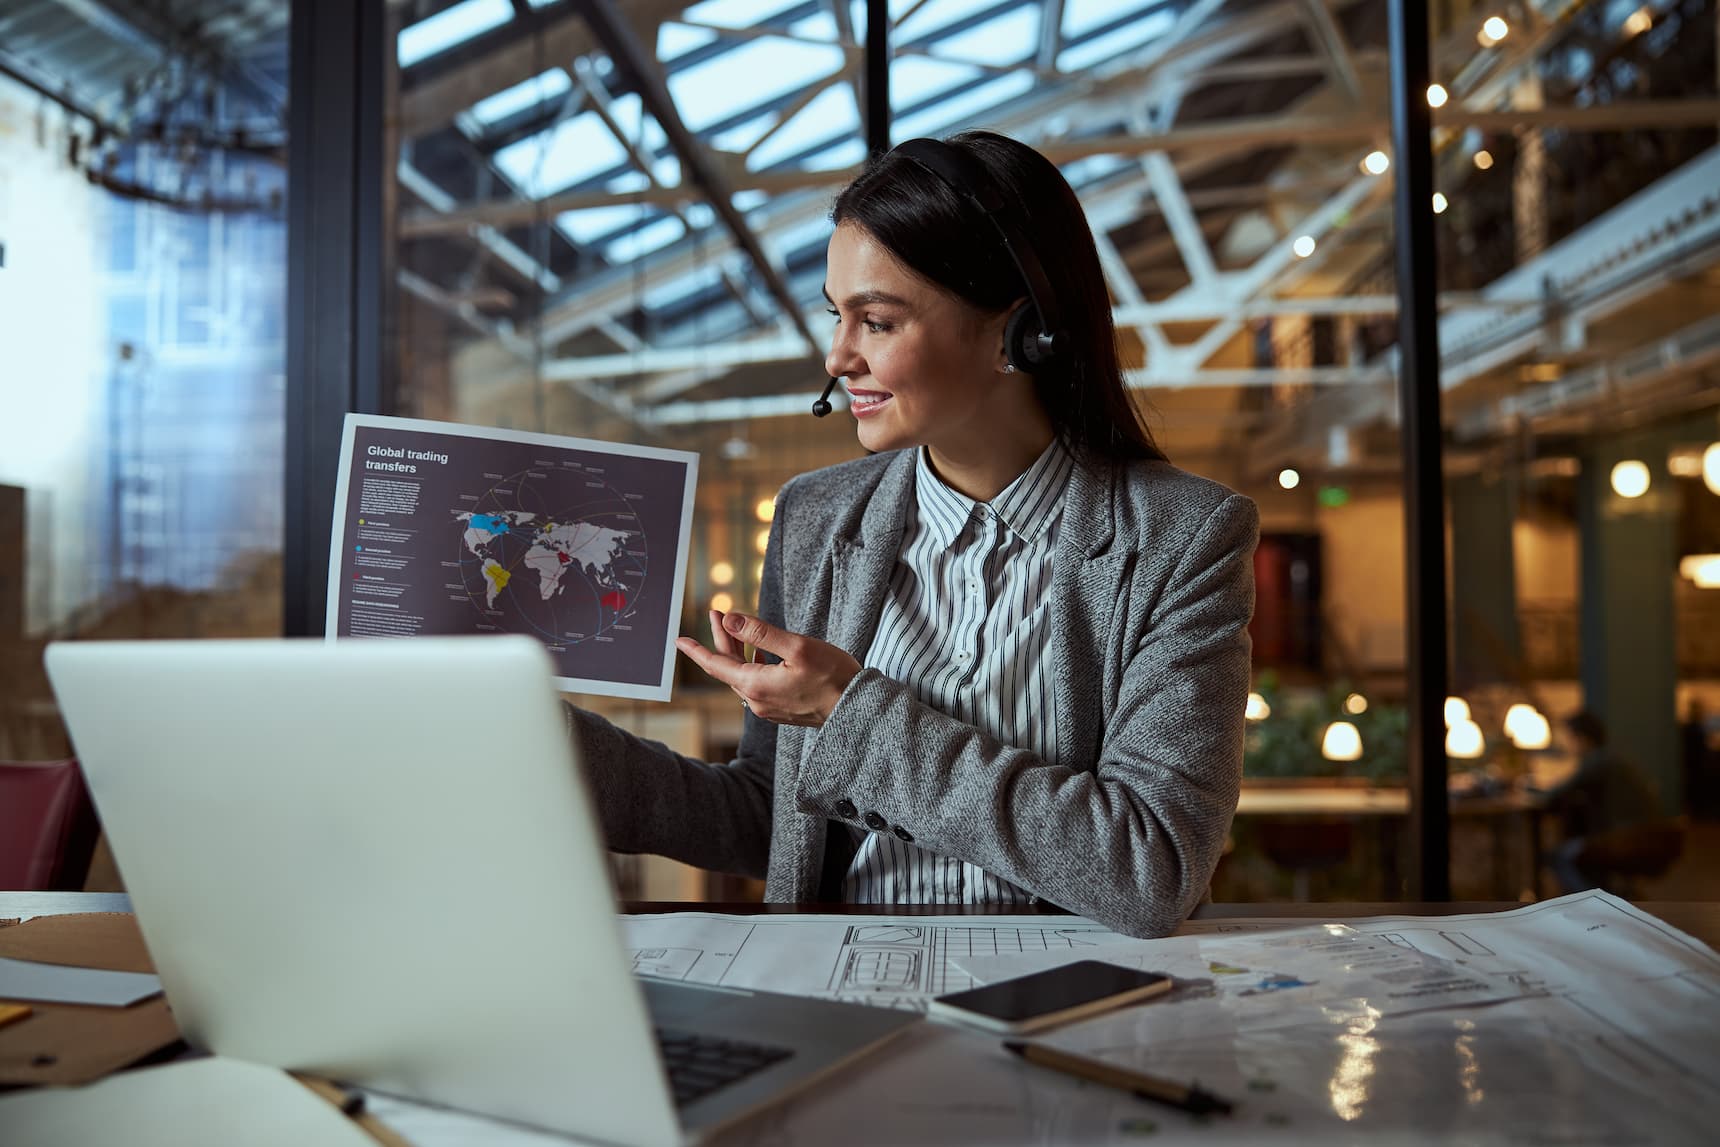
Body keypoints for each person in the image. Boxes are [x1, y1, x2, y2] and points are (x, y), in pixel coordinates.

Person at [564, 132, 1257, 938]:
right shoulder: (815, 519)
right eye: (837, 315)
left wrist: (849, 709)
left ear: (1018, 332)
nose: (837, 355)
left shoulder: (1182, 536)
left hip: (1068, 1006)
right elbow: (770, 815)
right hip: (842, 996)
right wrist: (550, 747)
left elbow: (1150, 868)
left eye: (877, 321)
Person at [1544, 710, 1676, 894]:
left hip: (1631, 838)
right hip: (1647, 835)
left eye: (1570, 738)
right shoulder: (1611, 758)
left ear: (1582, 739)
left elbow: (1554, 795)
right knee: (1574, 849)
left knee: (1560, 856)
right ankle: (1605, 898)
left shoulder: (1598, 761)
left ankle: (1595, 902)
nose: (1569, 745)